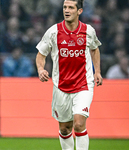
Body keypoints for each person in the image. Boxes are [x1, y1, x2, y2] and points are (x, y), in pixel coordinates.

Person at [35, 0, 103, 150]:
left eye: (71, 7)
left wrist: (97, 71)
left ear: (79, 11)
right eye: (65, 7)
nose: (67, 10)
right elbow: (41, 54)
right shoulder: (53, 32)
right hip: (61, 87)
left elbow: (94, 49)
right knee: (65, 129)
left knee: (79, 124)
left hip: (83, 84)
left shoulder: (88, 31)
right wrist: (40, 69)